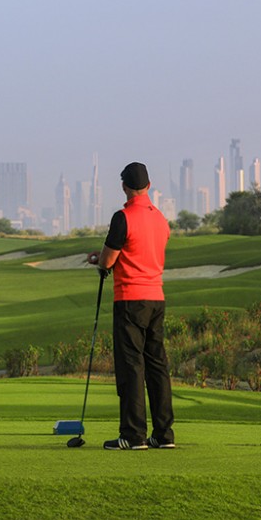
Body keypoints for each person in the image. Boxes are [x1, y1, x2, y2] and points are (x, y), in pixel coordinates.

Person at [88, 162, 176, 450]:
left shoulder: (122, 217)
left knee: (131, 367)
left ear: (124, 187)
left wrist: (98, 261)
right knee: (157, 366)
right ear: (148, 186)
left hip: (129, 299)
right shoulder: (161, 219)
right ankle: (163, 435)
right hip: (156, 299)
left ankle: (133, 434)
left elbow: (108, 261)